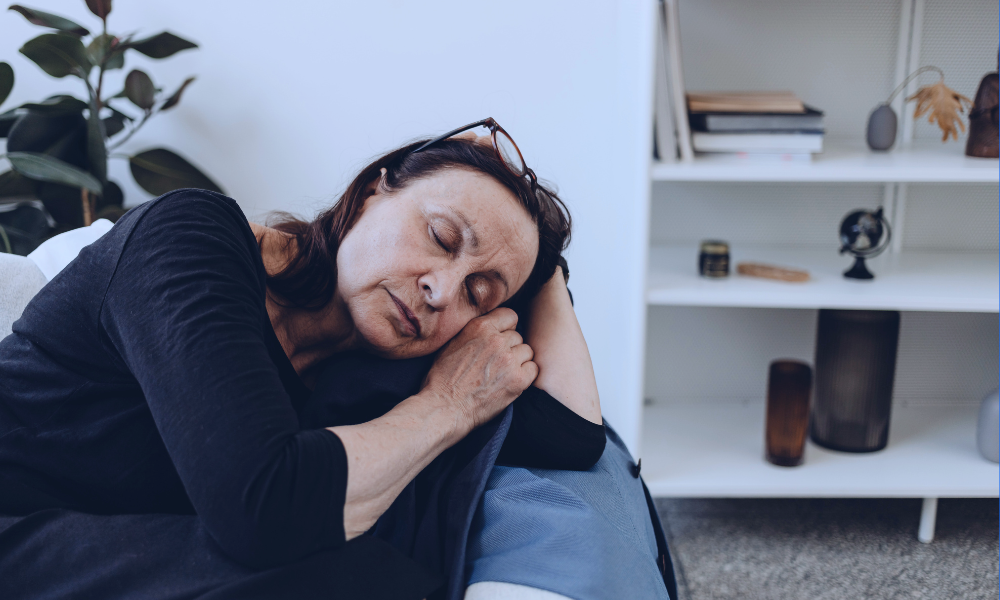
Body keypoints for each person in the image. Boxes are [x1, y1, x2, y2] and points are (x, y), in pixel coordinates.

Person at [0, 119, 673, 600]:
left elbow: (572, 435)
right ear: (373, 191)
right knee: (352, 579)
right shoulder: (189, 239)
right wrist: (444, 407)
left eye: (479, 291)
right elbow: (259, 509)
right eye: (440, 237)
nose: (442, 291)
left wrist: (540, 257)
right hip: (15, 519)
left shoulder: (368, 364)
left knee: (382, 574)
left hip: (107, 531)